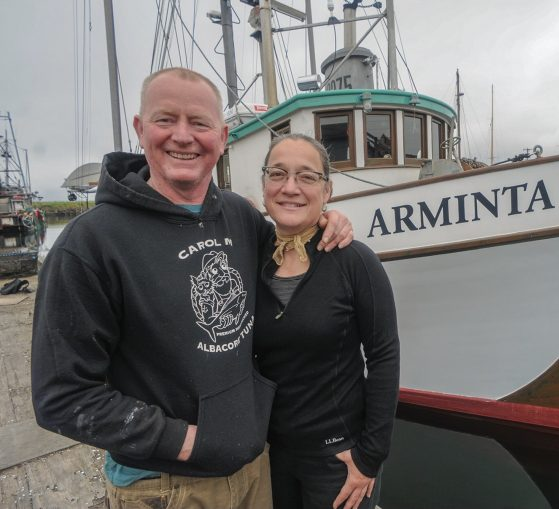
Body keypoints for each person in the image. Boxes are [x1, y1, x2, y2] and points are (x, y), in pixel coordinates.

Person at [31, 68, 352, 509]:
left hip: (253, 470)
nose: (183, 136)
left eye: (199, 123)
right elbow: (61, 396)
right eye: (166, 119)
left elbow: (289, 249)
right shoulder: (89, 245)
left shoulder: (240, 217)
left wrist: (326, 221)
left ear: (221, 137)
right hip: (164, 486)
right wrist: (187, 441)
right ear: (140, 129)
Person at [254, 134, 400, 509]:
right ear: (264, 184)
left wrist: (370, 458)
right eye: (278, 173)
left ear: (327, 190)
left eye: (307, 176)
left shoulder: (355, 261)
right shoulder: (251, 258)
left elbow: (383, 356)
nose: (290, 187)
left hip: (338, 460)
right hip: (273, 456)